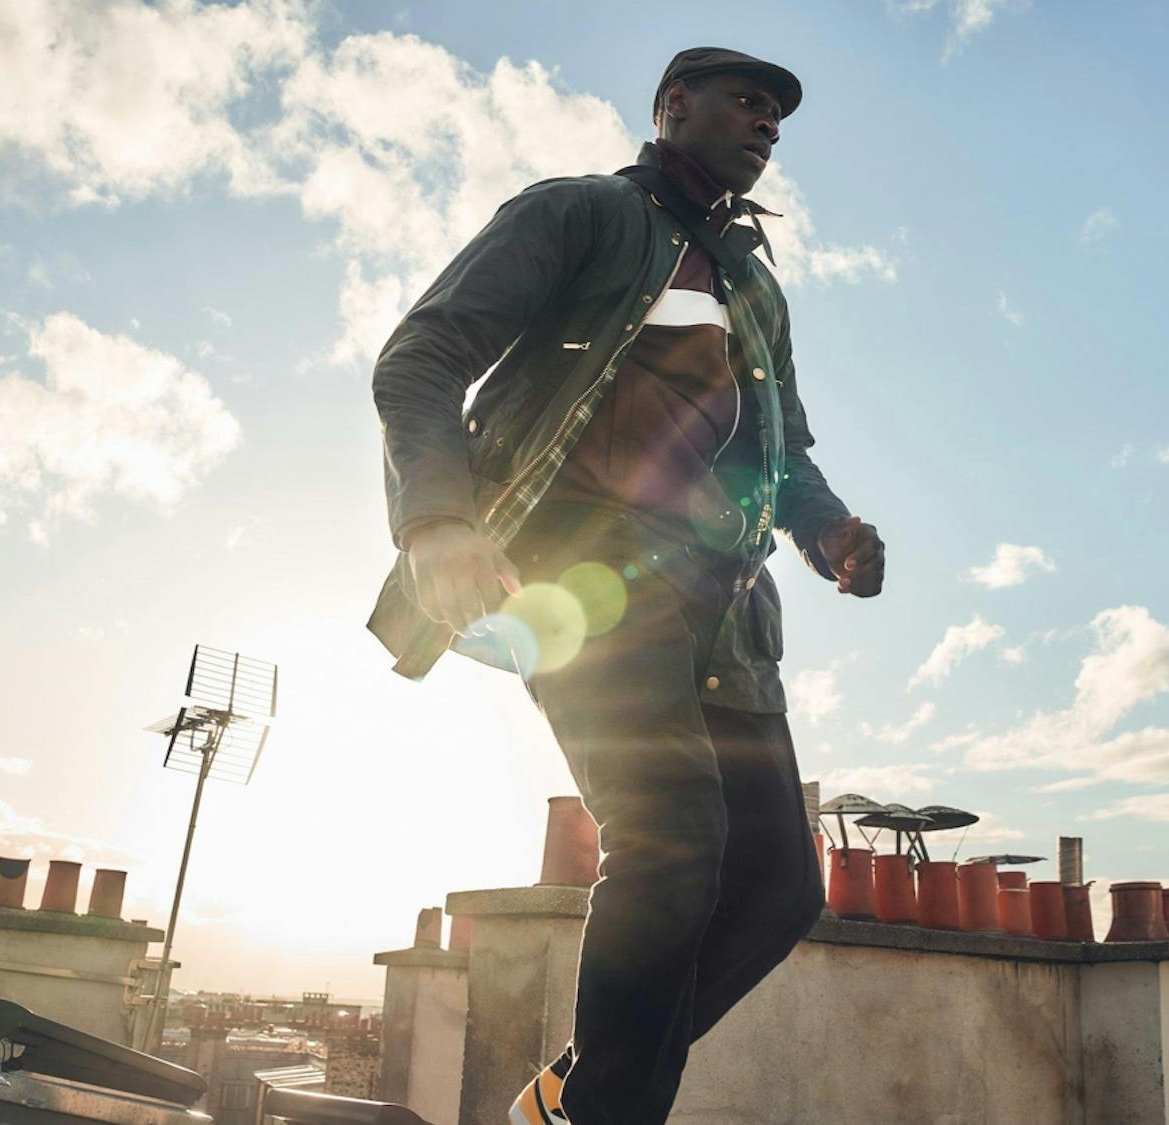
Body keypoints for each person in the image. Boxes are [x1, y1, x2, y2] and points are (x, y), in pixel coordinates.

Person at [366, 46, 885, 1125]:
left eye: (778, 116)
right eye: (748, 102)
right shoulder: (580, 216)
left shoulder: (753, 286)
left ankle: (577, 1091)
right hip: (580, 577)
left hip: (724, 608)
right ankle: (603, 1114)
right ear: (670, 106)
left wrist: (827, 528)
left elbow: (779, 450)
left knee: (778, 889)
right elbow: (420, 357)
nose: (768, 124)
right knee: (670, 833)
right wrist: (438, 520)